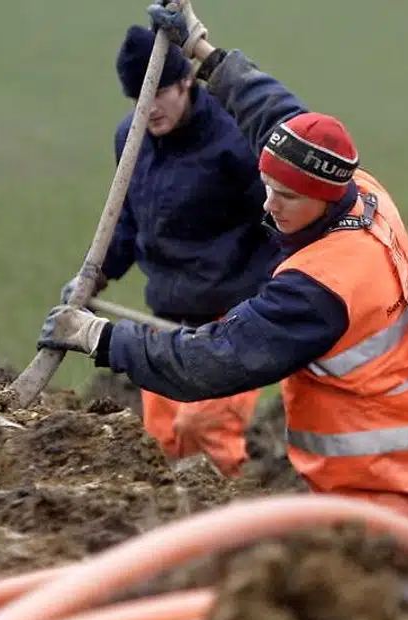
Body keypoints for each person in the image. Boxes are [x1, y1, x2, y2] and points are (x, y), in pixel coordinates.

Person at [40, 9, 408, 530]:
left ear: (321, 195)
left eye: (285, 196)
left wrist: (98, 338)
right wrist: (205, 50)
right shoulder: (362, 191)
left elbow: (214, 362)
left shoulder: (317, 287)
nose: (269, 206)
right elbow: (278, 115)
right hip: (391, 436)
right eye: (267, 186)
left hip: (387, 477)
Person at [63, 24, 281, 478]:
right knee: (162, 446)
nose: (151, 107)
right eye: (140, 97)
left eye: (160, 92)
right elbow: (124, 221)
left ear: (186, 81)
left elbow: (278, 220)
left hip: (233, 320)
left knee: (206, 433)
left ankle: (227, 537)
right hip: (165, 319)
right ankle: (172, 537)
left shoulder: (232, 140)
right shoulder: (131, 139)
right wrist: (96, 274)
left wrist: (280, 296)